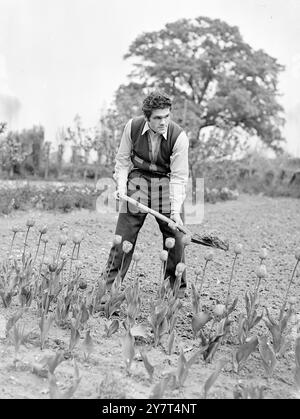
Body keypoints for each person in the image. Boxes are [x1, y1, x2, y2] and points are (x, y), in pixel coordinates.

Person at [100, 91, 189, 299]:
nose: (163, 122)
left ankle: (175, 291)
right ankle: (108, 288)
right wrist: (122, 187)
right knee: (124, 236)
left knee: (175, 235)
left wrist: (175, 212)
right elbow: (122, 161)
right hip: (138, 179)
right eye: (158, 118)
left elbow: (178, 178)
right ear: (147, 117)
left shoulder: (179, 138)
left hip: (166, 182)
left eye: (167, 116)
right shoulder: (132, 127)